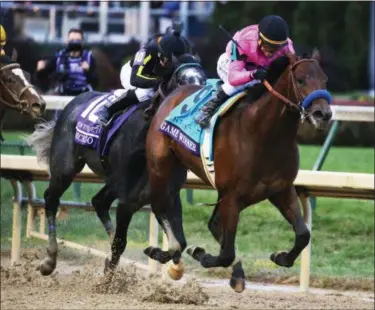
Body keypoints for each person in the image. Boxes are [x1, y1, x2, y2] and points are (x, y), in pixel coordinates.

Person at [194, 15, 295, 128]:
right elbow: (233, 78)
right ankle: (206, 110)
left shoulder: (287, 46)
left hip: (256, 67)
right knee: (246, 83)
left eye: (276, 49)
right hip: (230, 65)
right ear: (259, 39)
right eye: (268, 47)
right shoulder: (245, 42)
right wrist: (252, 74)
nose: (272, 53)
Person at [96, 30, 187, 126]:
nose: (166, 62)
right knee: (146, 92)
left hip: (154, 76)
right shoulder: (148, 51)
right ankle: (108, 110)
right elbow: (135, 79)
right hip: (131, 73)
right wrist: (157, 82)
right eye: (166, 58)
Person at [36, 28, 97, 97]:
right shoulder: (59, 57)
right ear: (67, 41)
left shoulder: (89, 57)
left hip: (83, 95)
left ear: (82, 42)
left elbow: (96, 82)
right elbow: (44, 80)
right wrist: (40, 71)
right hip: (63, 94)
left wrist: (88, 71)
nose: (74, 43)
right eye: (72, 40)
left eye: (78, 40)